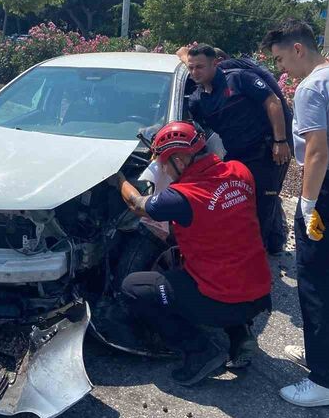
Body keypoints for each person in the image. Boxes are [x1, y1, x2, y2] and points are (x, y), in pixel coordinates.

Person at [111, 121, 272, 386]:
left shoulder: (181, 196)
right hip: (259, 291)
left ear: (181, 160)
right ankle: (239, 333)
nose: (162, 170)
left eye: (164, 163)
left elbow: (136, 204)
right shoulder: (240, 171)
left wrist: (118, 179)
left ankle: (200, 351)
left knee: (134, 287)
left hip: (223, 298)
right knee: (215, 264)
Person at [262, 20, 329, 407]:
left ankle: (326, 381)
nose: (282, 69)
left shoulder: (311, 88)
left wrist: (307, 205)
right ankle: (322, 352)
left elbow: (317, 152)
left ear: (298, 49)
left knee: (317, 283)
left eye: (281, 58)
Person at [184, 44, 292, 255]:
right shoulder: (197, 100)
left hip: (265, 153)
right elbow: (200, 131)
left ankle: (259, 259)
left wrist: (280, 141)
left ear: (215, 64)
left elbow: (273, 102)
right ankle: (271, 241)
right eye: (191, 68)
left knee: (263, 204)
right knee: (240, 205)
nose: (195, 72)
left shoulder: (239, 79)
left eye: (200, 67)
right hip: (235, 156)